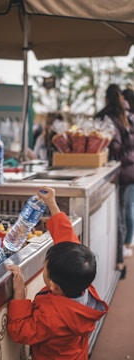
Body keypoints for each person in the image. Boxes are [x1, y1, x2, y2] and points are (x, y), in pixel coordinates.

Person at [6, 186, 108, 360]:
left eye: (45, 267)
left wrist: (20, 297)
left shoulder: (53, 317)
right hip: (77, 354)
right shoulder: (80, 283)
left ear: (52, 285)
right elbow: (67, 238)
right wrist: (51, 203)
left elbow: (21, 332)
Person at [95, 83, 134, 277]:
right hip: (128, 170)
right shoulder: (125, 116)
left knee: (120, 213)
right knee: (125, 210)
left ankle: (119, 260)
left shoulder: (107, 116)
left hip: (120, 171)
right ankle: (121, 255)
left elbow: (115, 146)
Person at [122, 88, 134, 255]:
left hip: (130, 169)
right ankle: (128, 241)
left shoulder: (129, 119)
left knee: (128, 206)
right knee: (129, 205)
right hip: (131, 168)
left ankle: (128, 242)